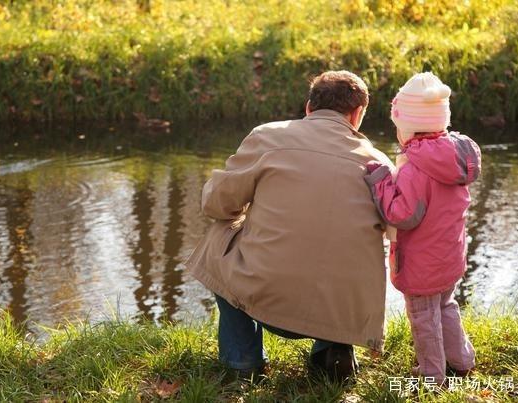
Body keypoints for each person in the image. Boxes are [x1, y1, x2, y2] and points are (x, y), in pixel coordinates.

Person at [185, 70, 393, 381]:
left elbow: (217, 205)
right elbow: (394, 229)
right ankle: (332, 352)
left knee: (219, 238)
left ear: (309, 107)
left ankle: (242, 361)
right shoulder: (380, 163)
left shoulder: (268, 136)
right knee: (346, 245)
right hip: (343, 313)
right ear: (358, 114)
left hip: (268, 299)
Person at [364, 72, 480, 384]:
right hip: (449, 255)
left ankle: (432, 375)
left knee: (423, 317)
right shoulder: (453, 159)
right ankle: (462, 359)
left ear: (407, 127)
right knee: (445, 305)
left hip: (422, 262)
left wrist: (381, 181)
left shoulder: (416, 168)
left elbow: (402, 215)